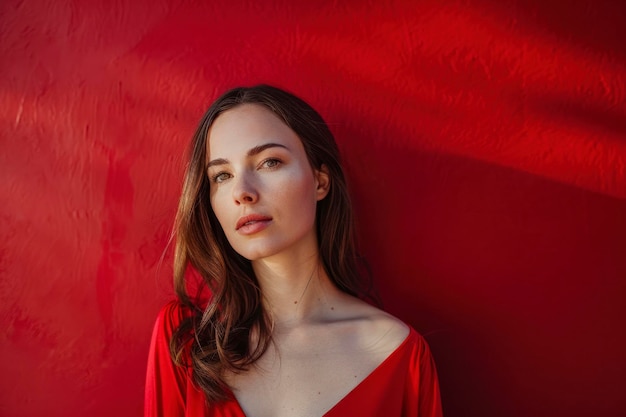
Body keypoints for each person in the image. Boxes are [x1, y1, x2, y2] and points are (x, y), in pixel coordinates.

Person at [144, 85, 443, 417]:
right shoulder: (188, 343)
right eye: (222, 175)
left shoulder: (399, 354)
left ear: (320, 182)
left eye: (269, 162)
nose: (242, 192)